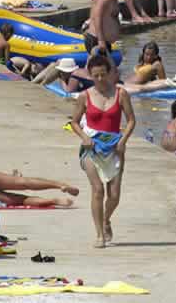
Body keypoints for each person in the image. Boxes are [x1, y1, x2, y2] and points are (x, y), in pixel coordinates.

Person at [70, 55, 135, 248]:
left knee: (114, 195)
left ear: (110, 73)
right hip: (91, 147)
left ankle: (106, 219)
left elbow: (131, 120)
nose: (99, 79)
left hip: (115, 145)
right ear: (90, 75)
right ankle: (99, 234)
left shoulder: (121, 94)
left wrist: (123, 140)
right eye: (95, 75)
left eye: (103, 75)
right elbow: (74, 122)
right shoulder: (85, 96)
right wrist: (84, 137)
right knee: (98, 190)